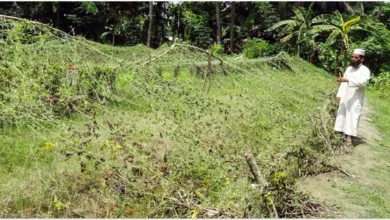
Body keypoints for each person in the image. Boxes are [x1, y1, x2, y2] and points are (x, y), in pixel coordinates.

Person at [334, 49, 371, 146]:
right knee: (341, 115)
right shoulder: (348, 69)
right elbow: (343, 83)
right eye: (352, 57)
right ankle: (338, 134)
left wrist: (348, 80)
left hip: (356, 98)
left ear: (362, 59)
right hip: (345, 95)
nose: (353, 59)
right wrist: (339, 95)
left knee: (352, 116)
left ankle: (349, 138)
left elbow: (363, 83)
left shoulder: (365, 71)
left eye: (356, 57)